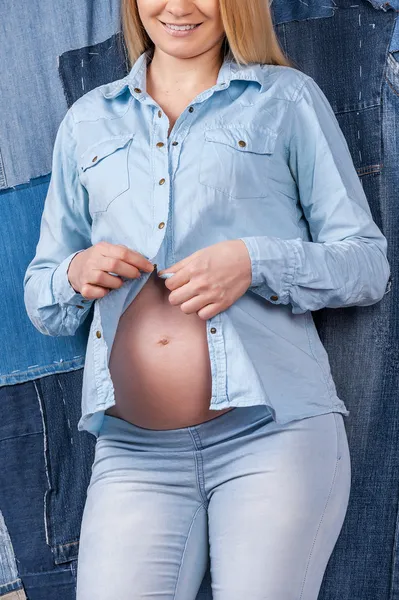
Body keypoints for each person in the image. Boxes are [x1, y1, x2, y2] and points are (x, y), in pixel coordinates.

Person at [23, 0, 390, 598]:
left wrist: (254, 262)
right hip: (131, 454)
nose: (177, 6)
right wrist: (76, 272)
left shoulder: (286, 100)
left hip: (273, 435)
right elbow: (42, 299)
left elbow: (366, 263)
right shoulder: (87, 121)